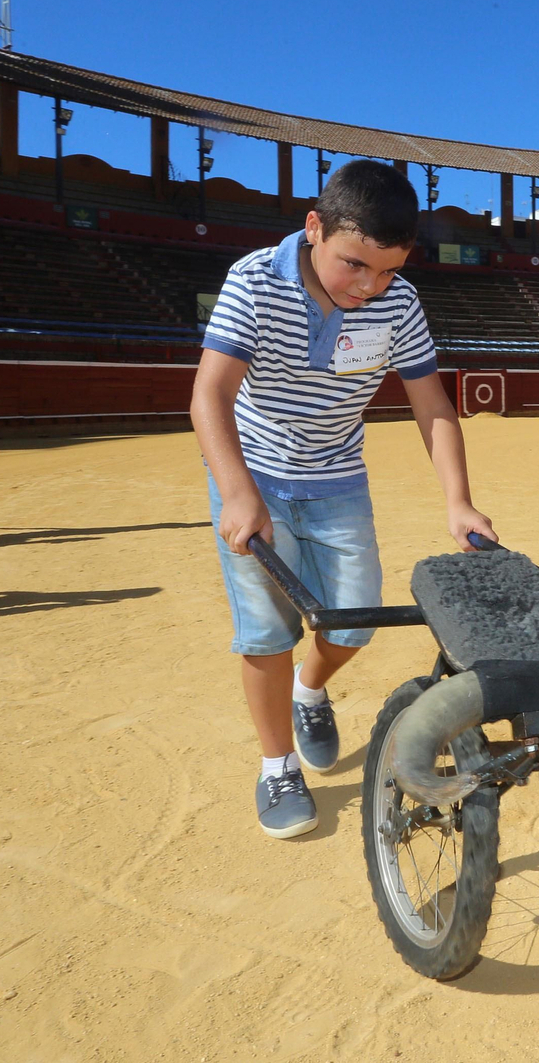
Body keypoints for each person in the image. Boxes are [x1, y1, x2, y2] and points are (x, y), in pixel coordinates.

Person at [191, 159, 495, 840]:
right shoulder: (253, 281)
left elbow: (432, 404)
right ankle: (277, 766)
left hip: (337, 478)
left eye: (388, 270)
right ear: (313, 228)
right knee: (266, 633)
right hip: (254, 475)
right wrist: (237, 492)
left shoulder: (400, 303)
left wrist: (459, 501)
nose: (369, 286)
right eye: (355, 264)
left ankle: (310, 688)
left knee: (352, 623)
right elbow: (209, 393)